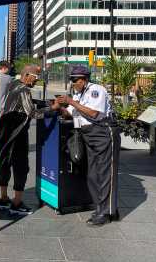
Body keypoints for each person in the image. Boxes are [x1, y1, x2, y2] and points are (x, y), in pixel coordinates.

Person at [57, 66, 120, 226]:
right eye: (71, 80)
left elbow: (94, 113)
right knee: (93, 174)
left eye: (75, 80)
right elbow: (72, 113)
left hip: (103, 133)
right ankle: (102, 208)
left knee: (105, 174)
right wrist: (60, 106)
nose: (73, 83)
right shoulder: (78, 93)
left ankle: (105, 212)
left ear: (84, 79)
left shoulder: (96, 90)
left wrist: (71, 101)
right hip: (88, 135)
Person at [0, 64, 60, 215]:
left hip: (5, 131)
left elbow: (27, 102)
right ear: (27, 75)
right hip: (18, 132)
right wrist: (53, 109)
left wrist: (45, 103)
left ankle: (3, 198)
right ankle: (17, 202)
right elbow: (33, 113)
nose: (36, 82)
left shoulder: (13, 84)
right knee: (21, 167)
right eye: (35, 78)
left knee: (5, 163)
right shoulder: (24, 89)